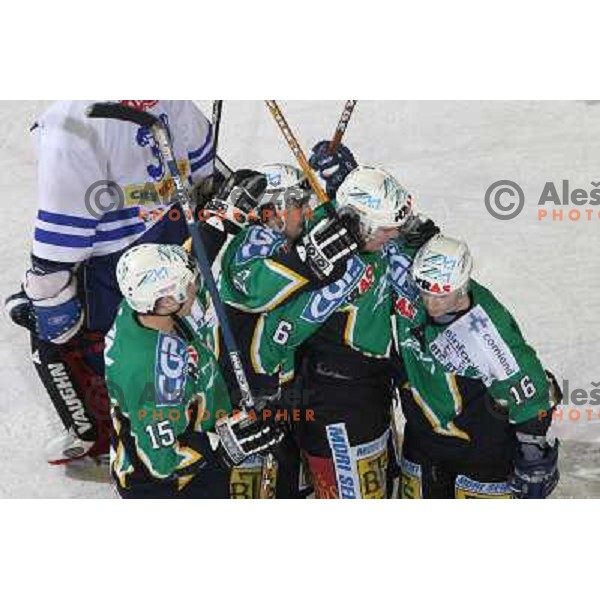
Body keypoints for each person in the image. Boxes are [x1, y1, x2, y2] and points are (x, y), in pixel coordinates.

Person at [4, 100, 227, 467]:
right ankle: (188, 419)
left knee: (55, 332)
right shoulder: (168, 97)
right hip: (179, 251)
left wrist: (45, 301)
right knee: (182, 342)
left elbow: (58, 251)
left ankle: (103, 434)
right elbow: (208, 175)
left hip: (120, 270)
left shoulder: (71, 125)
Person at [253, 164, 437, 498]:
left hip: (371, 391)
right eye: (387, 229)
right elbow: (279, 333)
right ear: (359, 225)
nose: (394, 235)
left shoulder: (367, 239)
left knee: (380, 481)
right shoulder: (333, 270)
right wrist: (268, 392)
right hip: (336, 408)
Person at [203, 162, 360, 497]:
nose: (307, 211)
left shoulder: (286, 239)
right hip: (243, 393)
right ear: (273, 210)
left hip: (278, 386)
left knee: (288, 477)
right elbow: (256, 287)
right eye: (299, 204)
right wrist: (309, 261)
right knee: (253, 486)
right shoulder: (253, 240)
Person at [390, 234, 561, 499]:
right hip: (422, 440)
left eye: (441, 295)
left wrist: (532, 450)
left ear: (462, 286)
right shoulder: (414, 287)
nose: (430, 303)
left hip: (480, 454)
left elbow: (535, 393)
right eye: (425, 291)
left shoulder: (488, 337)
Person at [107, 243, 281, 498]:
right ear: (167, 300)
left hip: (191, 442)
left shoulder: (141, 308)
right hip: (171, 488)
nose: (196, 286)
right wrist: (225, 448)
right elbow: (162, 462)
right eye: (189, 284)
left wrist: (218, 222)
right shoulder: (153, 376)